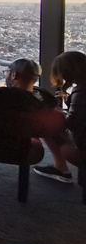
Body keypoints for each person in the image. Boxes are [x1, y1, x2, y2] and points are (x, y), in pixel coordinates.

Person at [0, 58, 57, 137]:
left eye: (7, 72)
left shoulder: (8, 95)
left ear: (14, 75)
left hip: (2, 138)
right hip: (23, 138)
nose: (6, 74)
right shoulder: (43, 96)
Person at [33, 51, 86, 183]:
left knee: (47, 122)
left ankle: (61, 169)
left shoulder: (81, 91)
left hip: (82, 145)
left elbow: (71, 122)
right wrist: (71, 101)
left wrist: (57, 112)